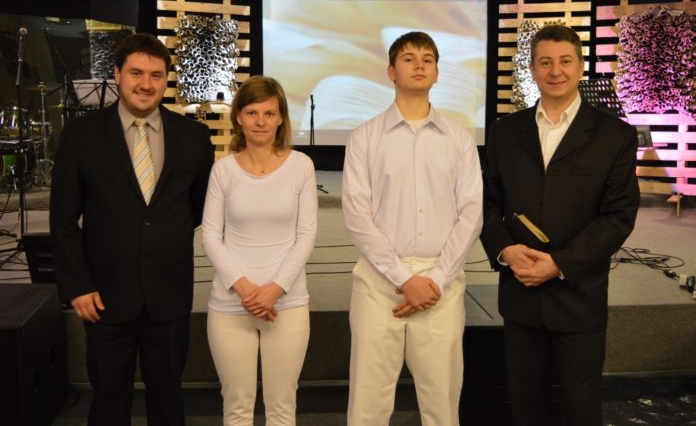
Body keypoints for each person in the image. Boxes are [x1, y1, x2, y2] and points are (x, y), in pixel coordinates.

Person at [50, 32, 214, 426]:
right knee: (108, 400)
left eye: (156, 75)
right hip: (103, 295)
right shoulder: (81, 135)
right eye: (136, 73)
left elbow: (198, 209)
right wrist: (77, 285)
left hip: (169, 293)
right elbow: (62, 219)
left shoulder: (193, 137)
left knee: (168, 400)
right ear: (118, 74)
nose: (146, 84)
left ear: (166, 80)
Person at [480, 24, 640, 426]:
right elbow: (487, 202)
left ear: (581, 66)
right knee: (525, 406)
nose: (556, 71)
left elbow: (619, 214)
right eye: (545, 62)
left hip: (579, 294)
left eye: (565, 61)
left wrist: (560, 263)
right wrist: (504, 249)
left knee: (579, 408)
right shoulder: (504, 132)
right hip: (520, 290)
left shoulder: (615, 135)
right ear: (532, 69)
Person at [342, 31, 483, 426]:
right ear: (391, 71)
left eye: (427, 59)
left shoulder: (459, 138)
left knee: (441, 404)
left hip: (442, 284)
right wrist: (404, 278)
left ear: (437, 73)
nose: (419, 65)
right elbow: (356, 215)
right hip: (379, 283)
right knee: (368, 404)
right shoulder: (365, 137)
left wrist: (434, 279)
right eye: (408, 58)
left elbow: (471, 213)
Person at [202, 75, 318, 426]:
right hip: (230, 305)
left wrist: (273, 290)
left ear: (281, 118)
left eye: (269, 113)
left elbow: (306, 234)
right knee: (236, 407)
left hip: (287, 304)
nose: (261, 122)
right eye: (252, 113)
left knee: (282, 408)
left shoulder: (301, 166)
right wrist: (246, 289)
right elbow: (211, 236)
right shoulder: (222, 170)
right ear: (238, 117)